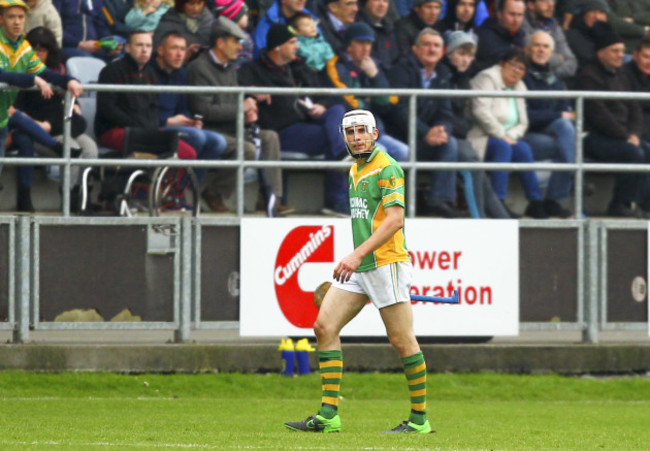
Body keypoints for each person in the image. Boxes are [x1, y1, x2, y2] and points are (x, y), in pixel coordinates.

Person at [284, 109, 431, 435]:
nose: (356, 137)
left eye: (362, 131)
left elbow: (394, 220)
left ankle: (419, 420)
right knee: (323, 326)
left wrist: (355, 255)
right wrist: (357, 259)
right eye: (350, 132)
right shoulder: (354, 170)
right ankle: (328, 415)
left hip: (386, 264)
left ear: (375, 134)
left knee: (402, 341)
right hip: (362, 267)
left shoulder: (388, 167)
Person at [237, 23, 349, 215]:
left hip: (308, 123)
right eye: (292, 42)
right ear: (278, 47)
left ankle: (342, 157)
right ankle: (337, 201)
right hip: (282, 130)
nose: (297, 46)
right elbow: (239, 93)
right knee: (334, 137)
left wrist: (322, 105)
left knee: (337, 109)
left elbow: (326, 94)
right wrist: (254, 92)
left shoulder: (299, 67)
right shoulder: (252, 70)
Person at [186, 16, 291, 215]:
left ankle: (270, 198)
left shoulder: (229, 68)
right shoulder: (199, 68)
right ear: (220, 42)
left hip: (232, 127)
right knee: (248, 149)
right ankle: (214, 193)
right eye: (235, 41)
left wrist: (248, 110)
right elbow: (203, 110)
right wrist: (241, 108)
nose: (239, 47)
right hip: (211, 130)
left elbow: (233, 100)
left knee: (270, 137)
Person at [0, 0, 83, 211]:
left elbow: (45, 72)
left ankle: (56, 147)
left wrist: (69, 81)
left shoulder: (23, 47)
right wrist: (32, 80)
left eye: (21, 17)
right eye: (11, 17)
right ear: (1, 19)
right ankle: (55, 147)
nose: (17, 22)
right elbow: (3, 75)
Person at [386, 28, 464, 218]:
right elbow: (398, 111)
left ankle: (439, 201)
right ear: (415, 49)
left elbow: (446, 112)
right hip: (399, 137)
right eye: (426, 45)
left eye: (436, 46)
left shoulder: (443, 74)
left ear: (442, 51)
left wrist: (442, 130)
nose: (431, 49)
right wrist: (425, 132)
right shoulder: (400, 70)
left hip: (425, 138)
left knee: (450, 143)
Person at [17, 26, 98, 208]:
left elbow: (70, 113)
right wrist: (40, 125)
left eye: (41, 50)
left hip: (59, 125)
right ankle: (68, 199)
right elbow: (17, 109)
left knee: (91, 149)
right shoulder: (20, 75)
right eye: (33, 50)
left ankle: (84, 195)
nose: (37, 54)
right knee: (73, 149)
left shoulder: (56, 73)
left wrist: (73, 105)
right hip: (40, 133)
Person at [467, 47, 548, 219]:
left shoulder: (520, 86)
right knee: (503, 147)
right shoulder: (487, 78)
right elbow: (480, 112)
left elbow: (523, 122)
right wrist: (501, 134)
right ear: (502, 64)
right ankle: (498, 203)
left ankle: (535, 202)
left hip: (506, 139)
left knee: (524, 148)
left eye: (521, 68)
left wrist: (510, 136)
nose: (517, 71)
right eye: (513, 65)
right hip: (481, 136)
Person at [95, 30, 197, 161]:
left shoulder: (151, 74)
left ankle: (163, 182)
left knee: (189, 153)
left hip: (143, 132)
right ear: (128, 48)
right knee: (183, 153)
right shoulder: (112, 70)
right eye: (139, 45)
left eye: (148, 46)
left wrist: (150, 128)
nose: (144, 50)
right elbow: (108, 109)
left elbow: (153, 108)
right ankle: (154, 181)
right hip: (114, 131)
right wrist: (139, 126)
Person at [578, 22, 646, 218]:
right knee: (634, 154)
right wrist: (626, 136)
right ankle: (620, 204)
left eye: (622, 51)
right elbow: (599, 115)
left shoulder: (621, 75)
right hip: (594, 137)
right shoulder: (589, 76)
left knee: (644, 150)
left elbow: (635, 108)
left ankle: (641, 204)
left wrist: (634, 133)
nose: (620, 55)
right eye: (615, 51)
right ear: (601, 53)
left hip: (622, 136)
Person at [443, 30, 510, 218]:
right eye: (461, 54)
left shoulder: (464, 80)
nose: (466, 60)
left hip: (459, 138)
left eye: (470, 55)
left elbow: (463, 121)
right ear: (448, 53)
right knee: (474, 170)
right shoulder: (444, 76)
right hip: (446, 138)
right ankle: (479, 222)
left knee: (481, 177)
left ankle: (506, 225)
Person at [150, 30, 228, 186]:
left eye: (183, 49)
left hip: (175, 126)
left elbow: (184, 107)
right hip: (155, 126)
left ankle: (184, 189)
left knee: (219, 142)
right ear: (160, 50)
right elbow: (142, 111)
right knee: (197, 137)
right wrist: (166, 121)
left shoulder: (182, 74)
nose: (180, 54)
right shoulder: (147, 72)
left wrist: (190, 121)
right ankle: (173, 192)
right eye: (174, 48)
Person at [323, 22, 408, 161]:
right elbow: (345, 101)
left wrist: (375, 75)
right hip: (352, 131)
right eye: (360, 43)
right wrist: (368, 103)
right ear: (349, 45)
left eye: (369, 43)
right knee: (381, 152)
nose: (365, 48)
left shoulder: (373, 65)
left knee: (404, 152)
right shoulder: (336, 65)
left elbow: (386, 102)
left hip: (375, 130)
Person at [522, 30, 574, 218]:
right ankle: (573, 178)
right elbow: (526, 116)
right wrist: (556, 114)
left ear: (552, 53)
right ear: (527, 49)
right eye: (537, 45)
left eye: (545, 47)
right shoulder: (522, 76)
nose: (541, 50)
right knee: (566, 143)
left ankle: (553, 200)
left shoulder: (556, 80)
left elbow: (566, 109)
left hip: (553, 132)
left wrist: (559, 115)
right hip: (526, 134)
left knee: (565, 130)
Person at [521, 0, 577, 80]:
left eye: (552, 1)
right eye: (544, 1)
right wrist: (558, 59)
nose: (551, 5)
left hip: (551, 81)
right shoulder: (521, 23)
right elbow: (530, 56)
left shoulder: (554, 25)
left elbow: (572, 63)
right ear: (530, 5)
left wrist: (549, 75)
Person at [53, 0, 124, 62]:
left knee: (121, 44)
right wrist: (79, 44)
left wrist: (107, 45)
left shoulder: (96, 1)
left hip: (95, 45)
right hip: (69, 46)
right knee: (87, 59)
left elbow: (101, 27)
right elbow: (54, 29)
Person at [252, 0, 318, 57]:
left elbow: (322, 42)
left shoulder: (309, 16)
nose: (302, 0)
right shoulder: (268, 23)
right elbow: (261, 55)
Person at [474, 0, 526, 73]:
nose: (516, 20)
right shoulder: (485, 37)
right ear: (499, 14)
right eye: (512, 14)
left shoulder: (520, 37)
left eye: (520, 15)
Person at [357, 0, 399, 71]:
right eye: (376, 0)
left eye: (385, 1)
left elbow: (395, 58)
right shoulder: (359, 28)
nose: (381, 5)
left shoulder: (389, 28)